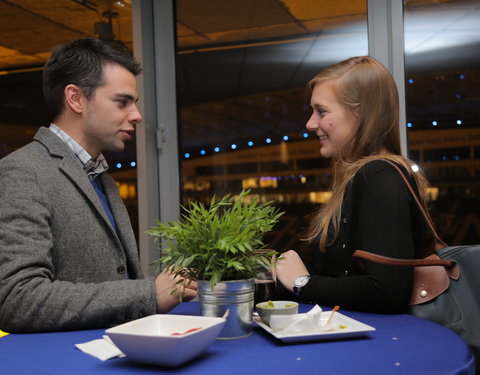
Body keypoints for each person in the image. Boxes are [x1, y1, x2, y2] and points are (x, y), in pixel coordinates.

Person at [0, 38, 196, 333]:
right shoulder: (22, 171)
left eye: (135, 103)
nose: (137, 116)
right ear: (76, 99)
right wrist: (148, 294)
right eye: (122, 101)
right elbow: (18, 299)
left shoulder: (99, 174)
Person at [275, 56, 433, 313]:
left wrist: (301, 282)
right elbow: (341, 275)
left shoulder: (379, 176)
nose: (311, 123)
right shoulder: (359, 176)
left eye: (322, 111)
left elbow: (387, 291)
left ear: (361, 114)